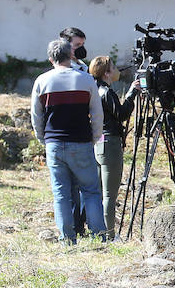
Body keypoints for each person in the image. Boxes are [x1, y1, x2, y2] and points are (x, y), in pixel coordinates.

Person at [31, 38, 106, 243]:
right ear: (70, 55)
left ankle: (67, 239)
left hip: (54, 143)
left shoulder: (42, 81)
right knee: (90, 191)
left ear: (50, 58)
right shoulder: (85, 79)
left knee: (61, 193)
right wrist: (94, 137)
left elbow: (36, 117)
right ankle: (99, 236)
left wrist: (43, 139)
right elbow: (97, 114)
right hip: (81, 141)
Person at [89, 56, 137, 239]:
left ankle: (98, 231)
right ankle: (109, 235)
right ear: (107, 73)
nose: (118, 69)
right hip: (110, 143)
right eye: (114, 67)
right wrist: (132, 93)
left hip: (99, 142)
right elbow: (122, 114)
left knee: (99, 192)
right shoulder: (106, 92)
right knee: (110, 194)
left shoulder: (95, 90)